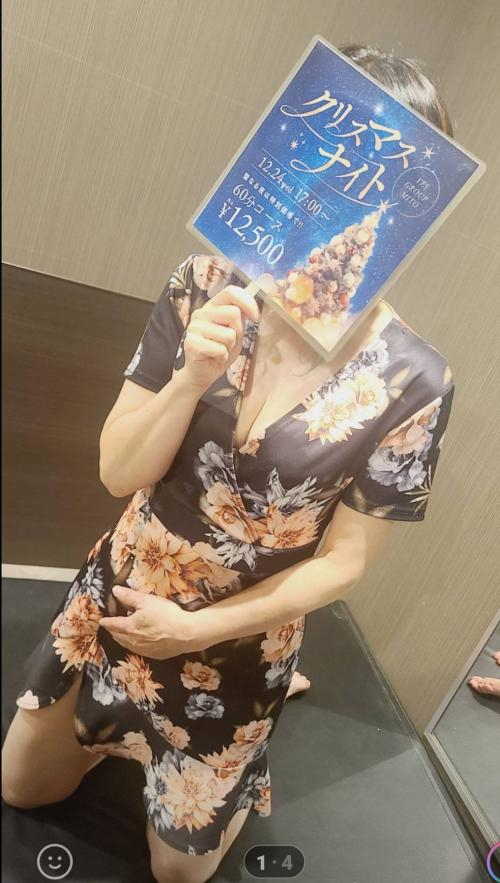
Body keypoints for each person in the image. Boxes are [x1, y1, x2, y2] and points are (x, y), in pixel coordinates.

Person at [2, 43, 456, 883]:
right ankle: (120, 731)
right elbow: (116, 473)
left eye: (375, 182)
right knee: (21, 788)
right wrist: (189, 378)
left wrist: (199, 630)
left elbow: (347, 560)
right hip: (121, 594)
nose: (342, 199)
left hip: (238, 643)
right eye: (325, 165)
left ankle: (246, 745)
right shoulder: (205, 283)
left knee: (177, 874)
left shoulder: (415, 380)